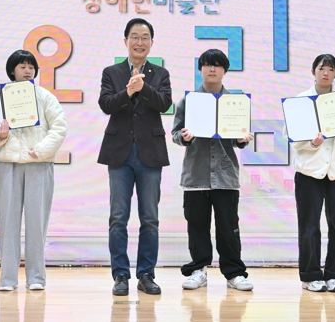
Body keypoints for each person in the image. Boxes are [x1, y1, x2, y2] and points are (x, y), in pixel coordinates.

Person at [98, 18, 172, 296]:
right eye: (134, 37)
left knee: (150, 219)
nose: (139, 42)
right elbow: (106, 104)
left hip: (150, 153)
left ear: (151, 42)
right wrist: (128, 91)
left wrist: (143, 88)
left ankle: (146, 274)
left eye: (144, 37)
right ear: (125, 41)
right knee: (118, 218)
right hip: (119, 153)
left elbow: (164, 103)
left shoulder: (160, 73)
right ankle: (120, 275)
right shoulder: (112, 72)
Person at [171, 49, 255, 292]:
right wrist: (184, 137)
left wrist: (242, 139)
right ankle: (198, 270)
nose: (212, 69)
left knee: (228, 228)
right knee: (197, 226)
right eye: (207, 65)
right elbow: (175, 133)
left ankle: (234, 273)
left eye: (217, 65)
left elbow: (238, 138)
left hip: (226, 176)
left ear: (224, 70)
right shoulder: (188, 102)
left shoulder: (236, 103)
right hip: (195, 175)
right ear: (200, 69)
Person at [0, 50, 67, 291]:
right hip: (9, 165)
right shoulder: (0, 98)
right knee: (8, 224)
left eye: (31, 67)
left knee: (37, 223)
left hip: (38, 165)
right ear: (12, 70)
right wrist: (0, 135)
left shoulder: (45, 96)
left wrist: (40, 150)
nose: (28, 70)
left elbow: (59, 127)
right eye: (22, 66)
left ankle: (36, 278)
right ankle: (7, 279)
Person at [289, 53, 335, 293]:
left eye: (330, 69)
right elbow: (293, 140)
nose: (325, 73)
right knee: (309, 226)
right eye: (322, 68)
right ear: (313, 71)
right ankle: (310, 275)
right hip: (309, 173)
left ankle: (334, 275)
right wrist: (312, 144)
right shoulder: (300, 101)